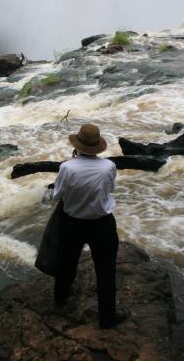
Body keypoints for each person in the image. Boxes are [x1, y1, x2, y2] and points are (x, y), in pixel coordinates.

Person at [52, 123, 127, 329]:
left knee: (67, 262)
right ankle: (107, 318)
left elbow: (57, 195)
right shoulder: (109, 166)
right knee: (105, 270)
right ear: (97, 147)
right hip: (102, 224)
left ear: (77, 145)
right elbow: (109, 191)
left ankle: (60, 298)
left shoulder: (67, 167)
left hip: (72, 223)